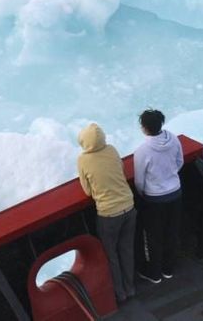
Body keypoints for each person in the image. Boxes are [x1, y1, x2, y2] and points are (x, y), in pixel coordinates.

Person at [77, 123, 137, 304]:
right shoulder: (111, 150)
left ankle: (120, 294)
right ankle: (131, 288)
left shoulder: (83, 160)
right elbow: (121, 171)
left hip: (109, 214)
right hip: (129, 206)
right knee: (126, 250)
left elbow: (87, 191)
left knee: (111, 255)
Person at [133, 108, 183, 284]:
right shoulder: (174, 139)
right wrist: (169, 179)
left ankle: (155, 274)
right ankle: (168, 269)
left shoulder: (142, 151)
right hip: (175, 192)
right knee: (171, 230)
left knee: (154, 236)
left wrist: (147, 192)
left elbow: (139, 180)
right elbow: (179, 162)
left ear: (145, 128)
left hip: (154, 199)